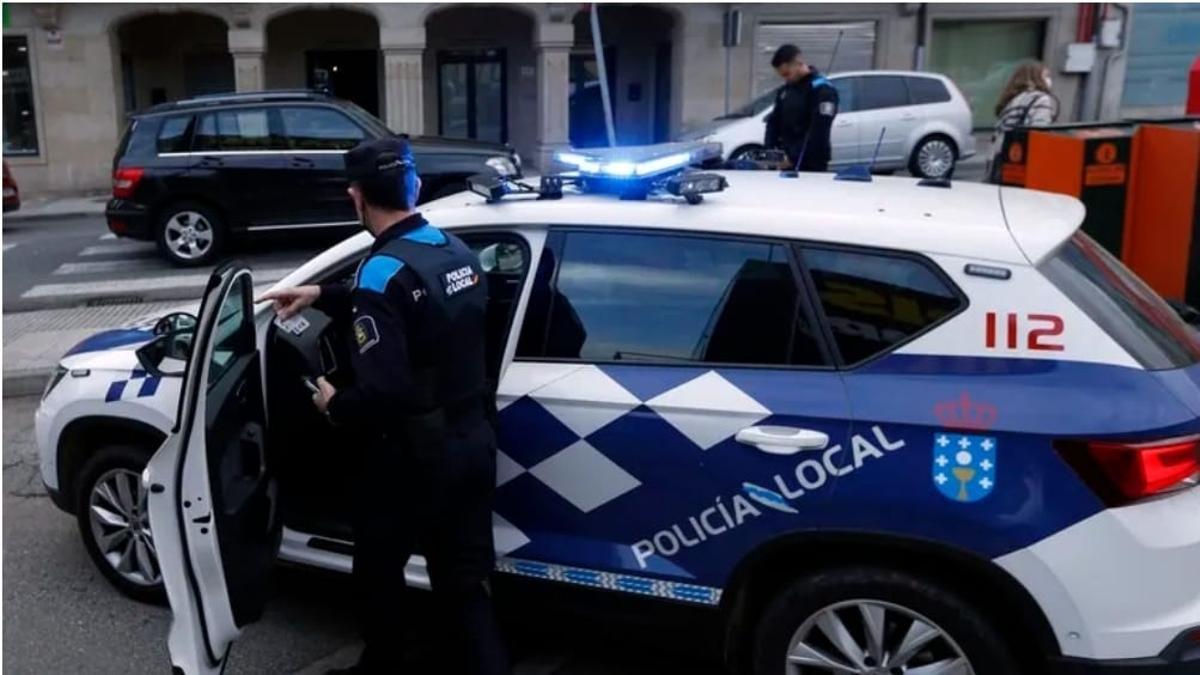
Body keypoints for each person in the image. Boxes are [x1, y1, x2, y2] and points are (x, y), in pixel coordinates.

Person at [258, 137, 509, 675]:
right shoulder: (455, 251)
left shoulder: (382, 274)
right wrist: (323, 294)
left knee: (376, 570)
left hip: (412, 459)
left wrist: (333, 403)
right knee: (465, 585)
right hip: (472, 442)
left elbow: (383, 391)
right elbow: (417, 300)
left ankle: (384, 664)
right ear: (414, 186)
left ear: (356, 198)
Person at [763, 43, 840, 172]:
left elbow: (819, 131)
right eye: (782, 75)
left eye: (787, 74)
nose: (785, 78)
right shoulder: (785, 91)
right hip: (786, 162)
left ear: (798, 63)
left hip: (811, 163)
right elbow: (774, 122)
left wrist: (793, 157)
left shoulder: (823, 90)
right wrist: (771, 151)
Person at [989, 61, 1059, 182]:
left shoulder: (1013, 99)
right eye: (1046, 76)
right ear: (1036, 77)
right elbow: (1039, 131)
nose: (1049, 80)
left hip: (1002, 155)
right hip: (1024, 159)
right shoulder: (1041, 99)